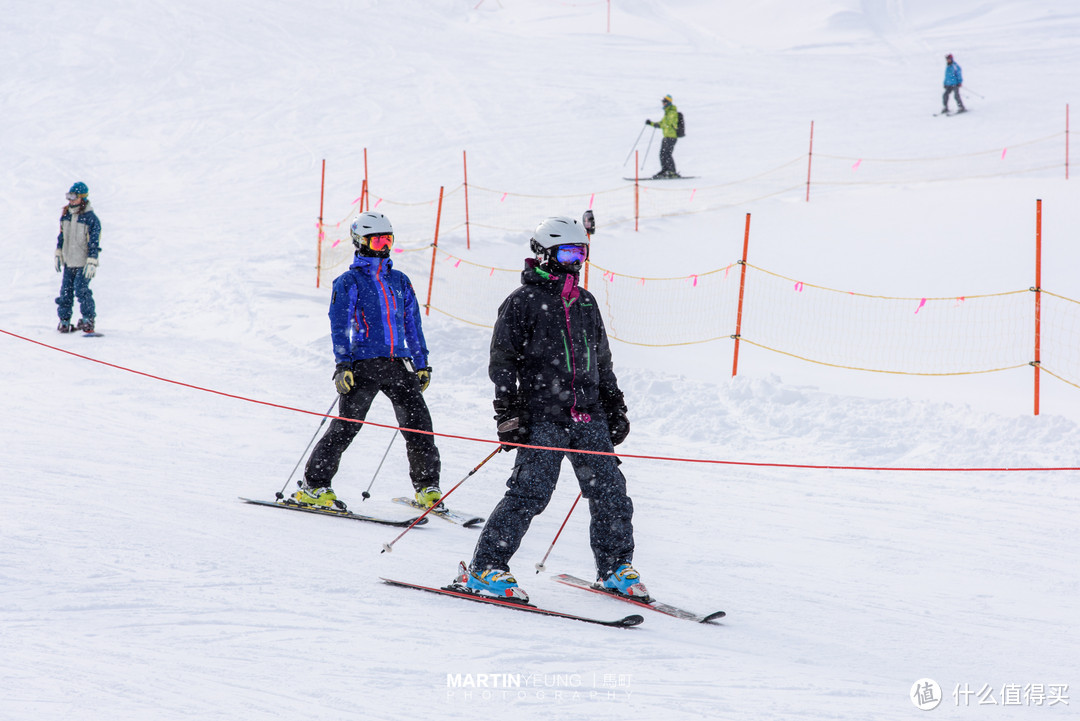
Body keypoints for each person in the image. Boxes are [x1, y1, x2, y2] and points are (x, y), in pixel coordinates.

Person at [451, 216, 644, 603]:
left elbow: (601, 361)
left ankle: (614, 569)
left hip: (587, 415)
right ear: (543, 253)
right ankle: (487, 568)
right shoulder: (523, 302)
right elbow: (502, 361)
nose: (576, 261)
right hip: (543, 417)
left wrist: (614, 406)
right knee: (530, 493)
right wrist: (508, 412)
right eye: (569, 252)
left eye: (582, 252)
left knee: (611, 493)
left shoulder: (586, 302)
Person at [294, 211, 442, 511]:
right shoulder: (348, 281)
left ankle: (427, 488)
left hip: (397, 364)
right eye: (376, 241)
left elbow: (413, 324)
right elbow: (339, 326)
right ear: (360, 242)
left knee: (419, 426)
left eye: (387, 239)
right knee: (347, 426)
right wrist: (343, 365)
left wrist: (421, 363)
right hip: (363, 365)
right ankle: (314, 486)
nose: (383, 246)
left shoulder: (400, 281)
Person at [55, 181, 101, 333]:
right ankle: (64, 320)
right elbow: (62, 236)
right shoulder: (66, 215)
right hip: (69, 261)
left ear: (82, 198)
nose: (71, 201)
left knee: (81, 289)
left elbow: (94, 242)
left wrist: (92, 260)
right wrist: (58, 252)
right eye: (69, 197)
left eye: (74, 197)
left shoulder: (90, 218)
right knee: (65, 292)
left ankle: (88, 319)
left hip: (83, 262)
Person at [646, 95, 680, 179]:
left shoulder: (672, 112)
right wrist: (652, 124)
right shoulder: (667, 112)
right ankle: (665, 170)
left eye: (665, 102)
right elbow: (662, 124)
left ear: (668, 102)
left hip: (671, 137)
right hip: (667, 136)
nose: (663, 103)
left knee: (667, 154)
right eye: (663, 102)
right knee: (662, 154)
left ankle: (672, 171)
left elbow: (667, 123)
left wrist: (659, 125)